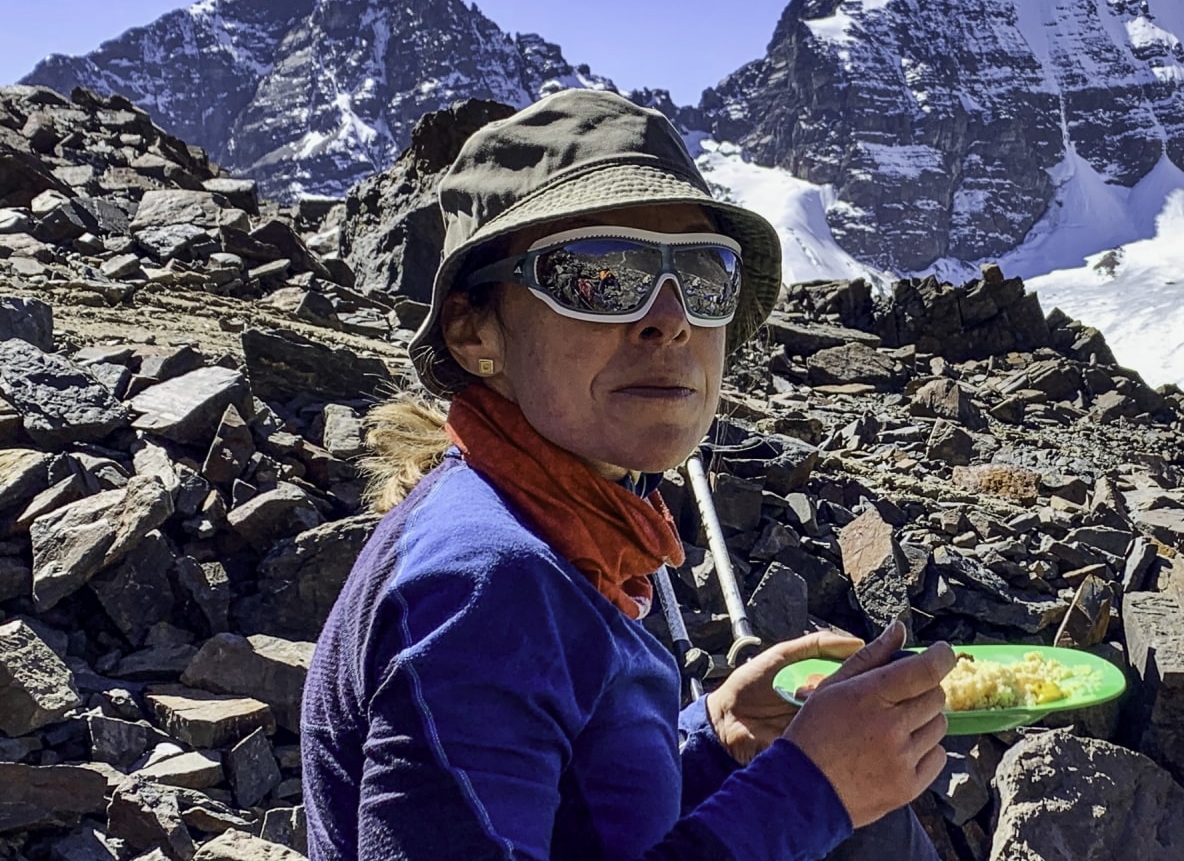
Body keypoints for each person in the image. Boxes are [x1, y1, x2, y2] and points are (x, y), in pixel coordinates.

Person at [301, 89, 955, 859]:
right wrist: (807, 791)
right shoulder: (486, 591)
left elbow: (571, 810)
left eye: (707, 277)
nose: (671, 318)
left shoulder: (550, 527)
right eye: (603, 273)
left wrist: (712, 739)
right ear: (475, 330)